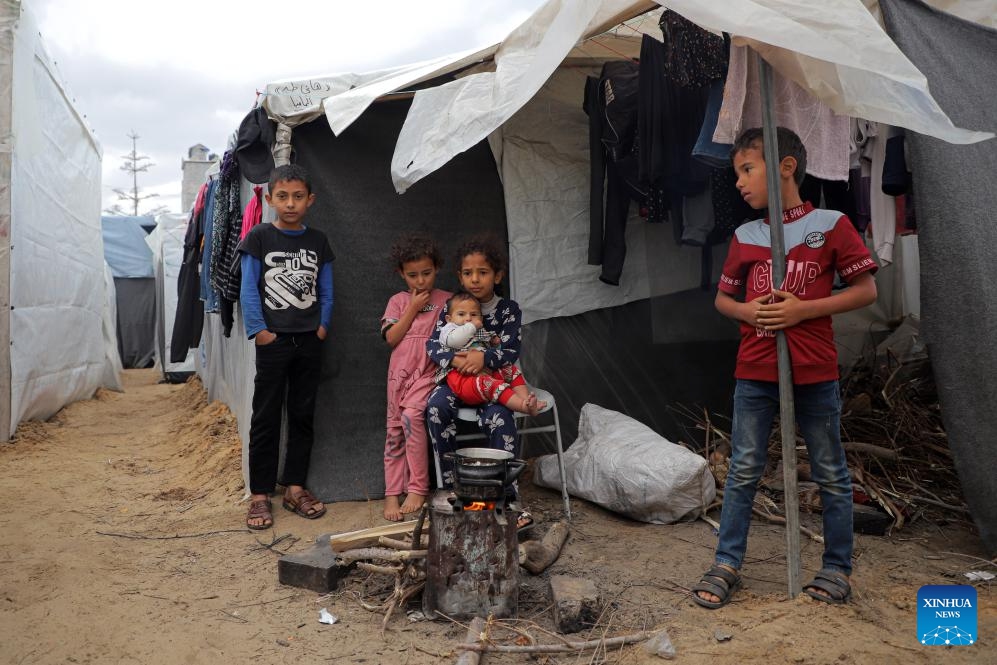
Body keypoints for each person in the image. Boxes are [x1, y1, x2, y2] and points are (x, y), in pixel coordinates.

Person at [692, 127, 878, 608]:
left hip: (814, 369)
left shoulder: (832, 224)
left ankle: (837, 568)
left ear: (785, 167)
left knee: (831, 471)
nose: (738, 182)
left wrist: (802, 310)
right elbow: (723, 299)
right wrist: (750, 313)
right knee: (745, 469)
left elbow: (866, 291)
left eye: (747, 170)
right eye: (737, 174)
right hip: (755, 370)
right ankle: (726, 563)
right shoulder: (745, 235)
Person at [239, 164, 335, 530]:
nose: (290, 203)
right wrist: (260, 331)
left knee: (302, 415)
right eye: (282, 196)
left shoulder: (319, 241)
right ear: (269, 199)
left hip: (309, 340)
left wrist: (323, 325)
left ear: (310, 200)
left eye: (298, 197)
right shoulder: (260, 237)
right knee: (265, 416)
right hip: (273, 341)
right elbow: (249, 289)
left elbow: (326, 289)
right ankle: (260, 495)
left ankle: (295, 488)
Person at [425, 235, 534, 529]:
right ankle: (450, 487)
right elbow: (433, 346)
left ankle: (506, 497)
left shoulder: (508, 309)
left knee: (501, 417)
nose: (475, 279)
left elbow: (511, 350)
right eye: (468, 273)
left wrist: (484, 359)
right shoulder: (453, 306)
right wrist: (460, 361)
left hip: (491, 384)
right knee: (435, 408)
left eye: (483, 272)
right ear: (460, 275)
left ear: (497, 275)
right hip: (456, 383)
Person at [380, 234, 451, 522]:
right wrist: (412, 307)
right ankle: (391, 493)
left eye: (427, 273)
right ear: (401, 273)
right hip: (399, 377)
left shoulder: (446, 300)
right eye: (413, 275)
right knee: (395, 432)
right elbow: (392, 338)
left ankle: (418, 487)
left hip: (429, 374)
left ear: (437, 269)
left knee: (411, 418)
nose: (421, 281)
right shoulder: (397, 302)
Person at [436, 291, 545, 416]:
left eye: (473, 314)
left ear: (481, 318)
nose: (468, 318)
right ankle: (521, 407)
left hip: (486, 371)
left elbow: (491, 350)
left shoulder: (480, 331)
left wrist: (494, 343)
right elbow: (455, 341)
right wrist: (472, 326)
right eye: (461, 314)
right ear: (449, 319)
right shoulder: (448, 330)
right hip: (462, 378)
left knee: (510, 370)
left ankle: (527, 401)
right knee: (491, 384)